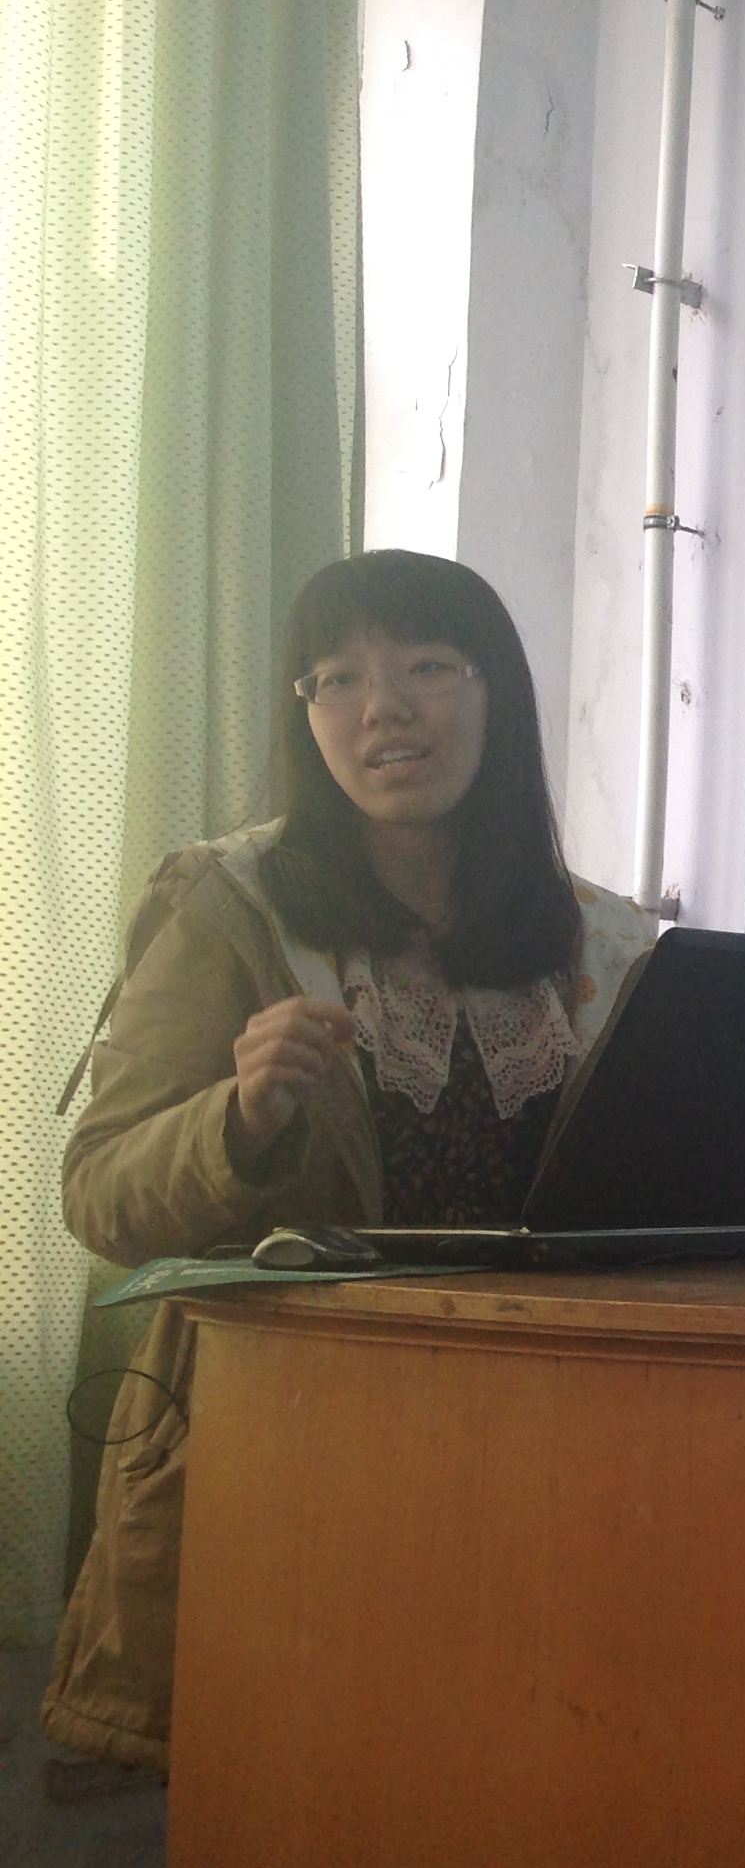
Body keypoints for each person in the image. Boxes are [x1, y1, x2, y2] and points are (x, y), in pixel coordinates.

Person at [41, 549, 655, 1771]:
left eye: (426, 665)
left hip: (548, 1456)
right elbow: (100, 1191)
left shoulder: (603, 940)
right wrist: (238, 1120)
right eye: (338, 678)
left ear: (496, 695)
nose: (384, 708)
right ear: (307, 713)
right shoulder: (231, 908)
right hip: (292, 1459)